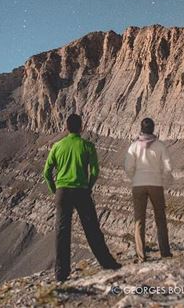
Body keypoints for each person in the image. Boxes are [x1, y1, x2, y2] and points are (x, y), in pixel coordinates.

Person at [43, 114, 121, 282]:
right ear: (81, 127)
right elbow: (94, 171)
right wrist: (88, 186)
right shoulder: (87, 146)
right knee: (92, 228)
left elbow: (47, 172)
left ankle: (61, 273)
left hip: (62, 191)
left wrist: (54, 189)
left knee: (62, 232)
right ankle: (107, 263)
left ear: (66, 127)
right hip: (81, 191)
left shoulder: (57, 146)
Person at [124, 117, 174, 262]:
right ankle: (165, 252)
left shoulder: (133, 146)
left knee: (139, 220)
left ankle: (141, 255)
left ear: (141, 128)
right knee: (160, 218)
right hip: (156, 184)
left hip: (138, 185)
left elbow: (128, 167)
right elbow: (168, 167)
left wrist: (135, 178)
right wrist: (162, 178)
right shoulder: (160, 146)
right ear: (153, 129)